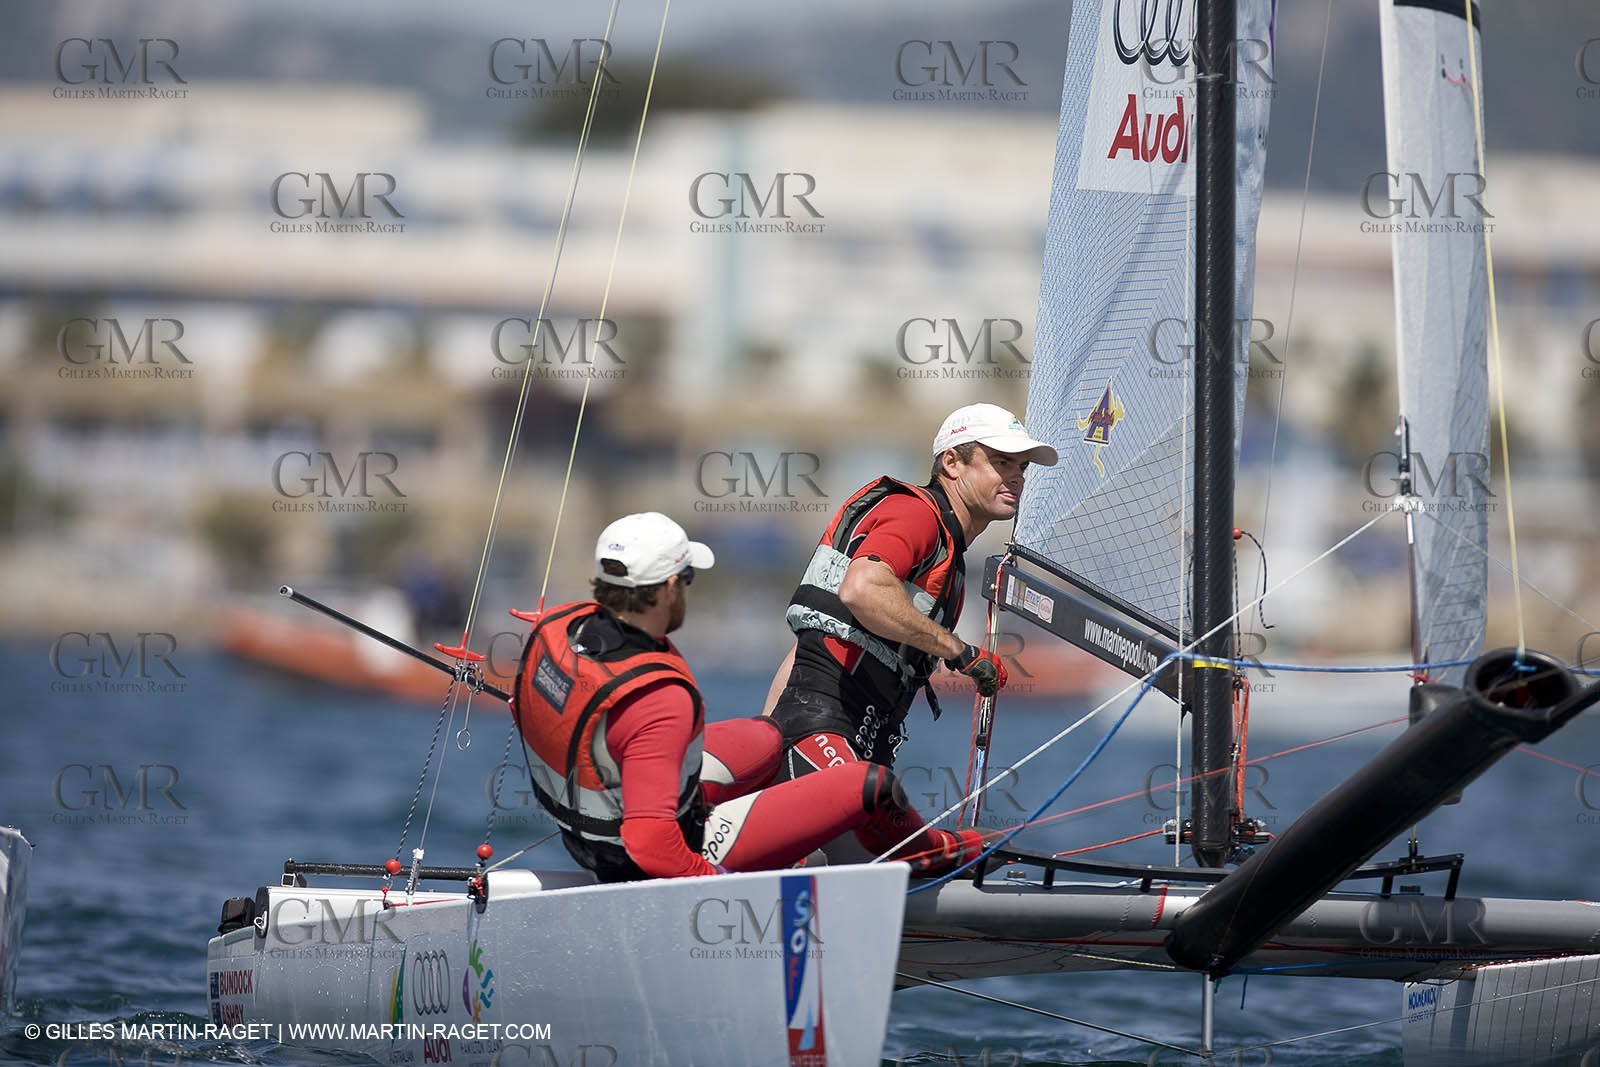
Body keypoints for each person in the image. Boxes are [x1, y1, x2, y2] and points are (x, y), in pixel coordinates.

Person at [510, 511, 987, 882]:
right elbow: (651, 845)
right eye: (688, 580)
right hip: (648, 855)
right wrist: (720, 887)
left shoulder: (552, 629)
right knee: (871, 786)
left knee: (768, 738)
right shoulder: (662, 697)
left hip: (584, 825)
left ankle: (785, 830)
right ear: (670, 587)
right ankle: (950, 854)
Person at [766, 403, 1059, 781]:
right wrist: (959, 651)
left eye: (1022, 467)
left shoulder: (949, 556)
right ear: (952, 463)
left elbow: (817, 636)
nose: (1016, 477)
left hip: (853, 742)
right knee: (902, 829)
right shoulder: (918, 516)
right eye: (1001, 463)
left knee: (920, 836)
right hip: (819, 731)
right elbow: (862, 590)